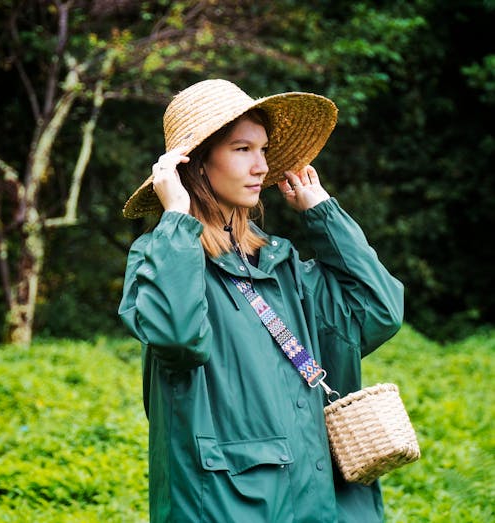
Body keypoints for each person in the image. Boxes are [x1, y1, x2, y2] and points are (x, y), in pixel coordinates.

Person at [119, 79, 404, 523]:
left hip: (319, 499)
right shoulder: (163, 257)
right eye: (241, 149)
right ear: (194, 166)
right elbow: (178, 339)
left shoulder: (281, 262)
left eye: (264, 150)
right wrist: (175, 217)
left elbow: (377, 311)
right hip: (225, 506)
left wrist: (322, 213)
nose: (261, 166)